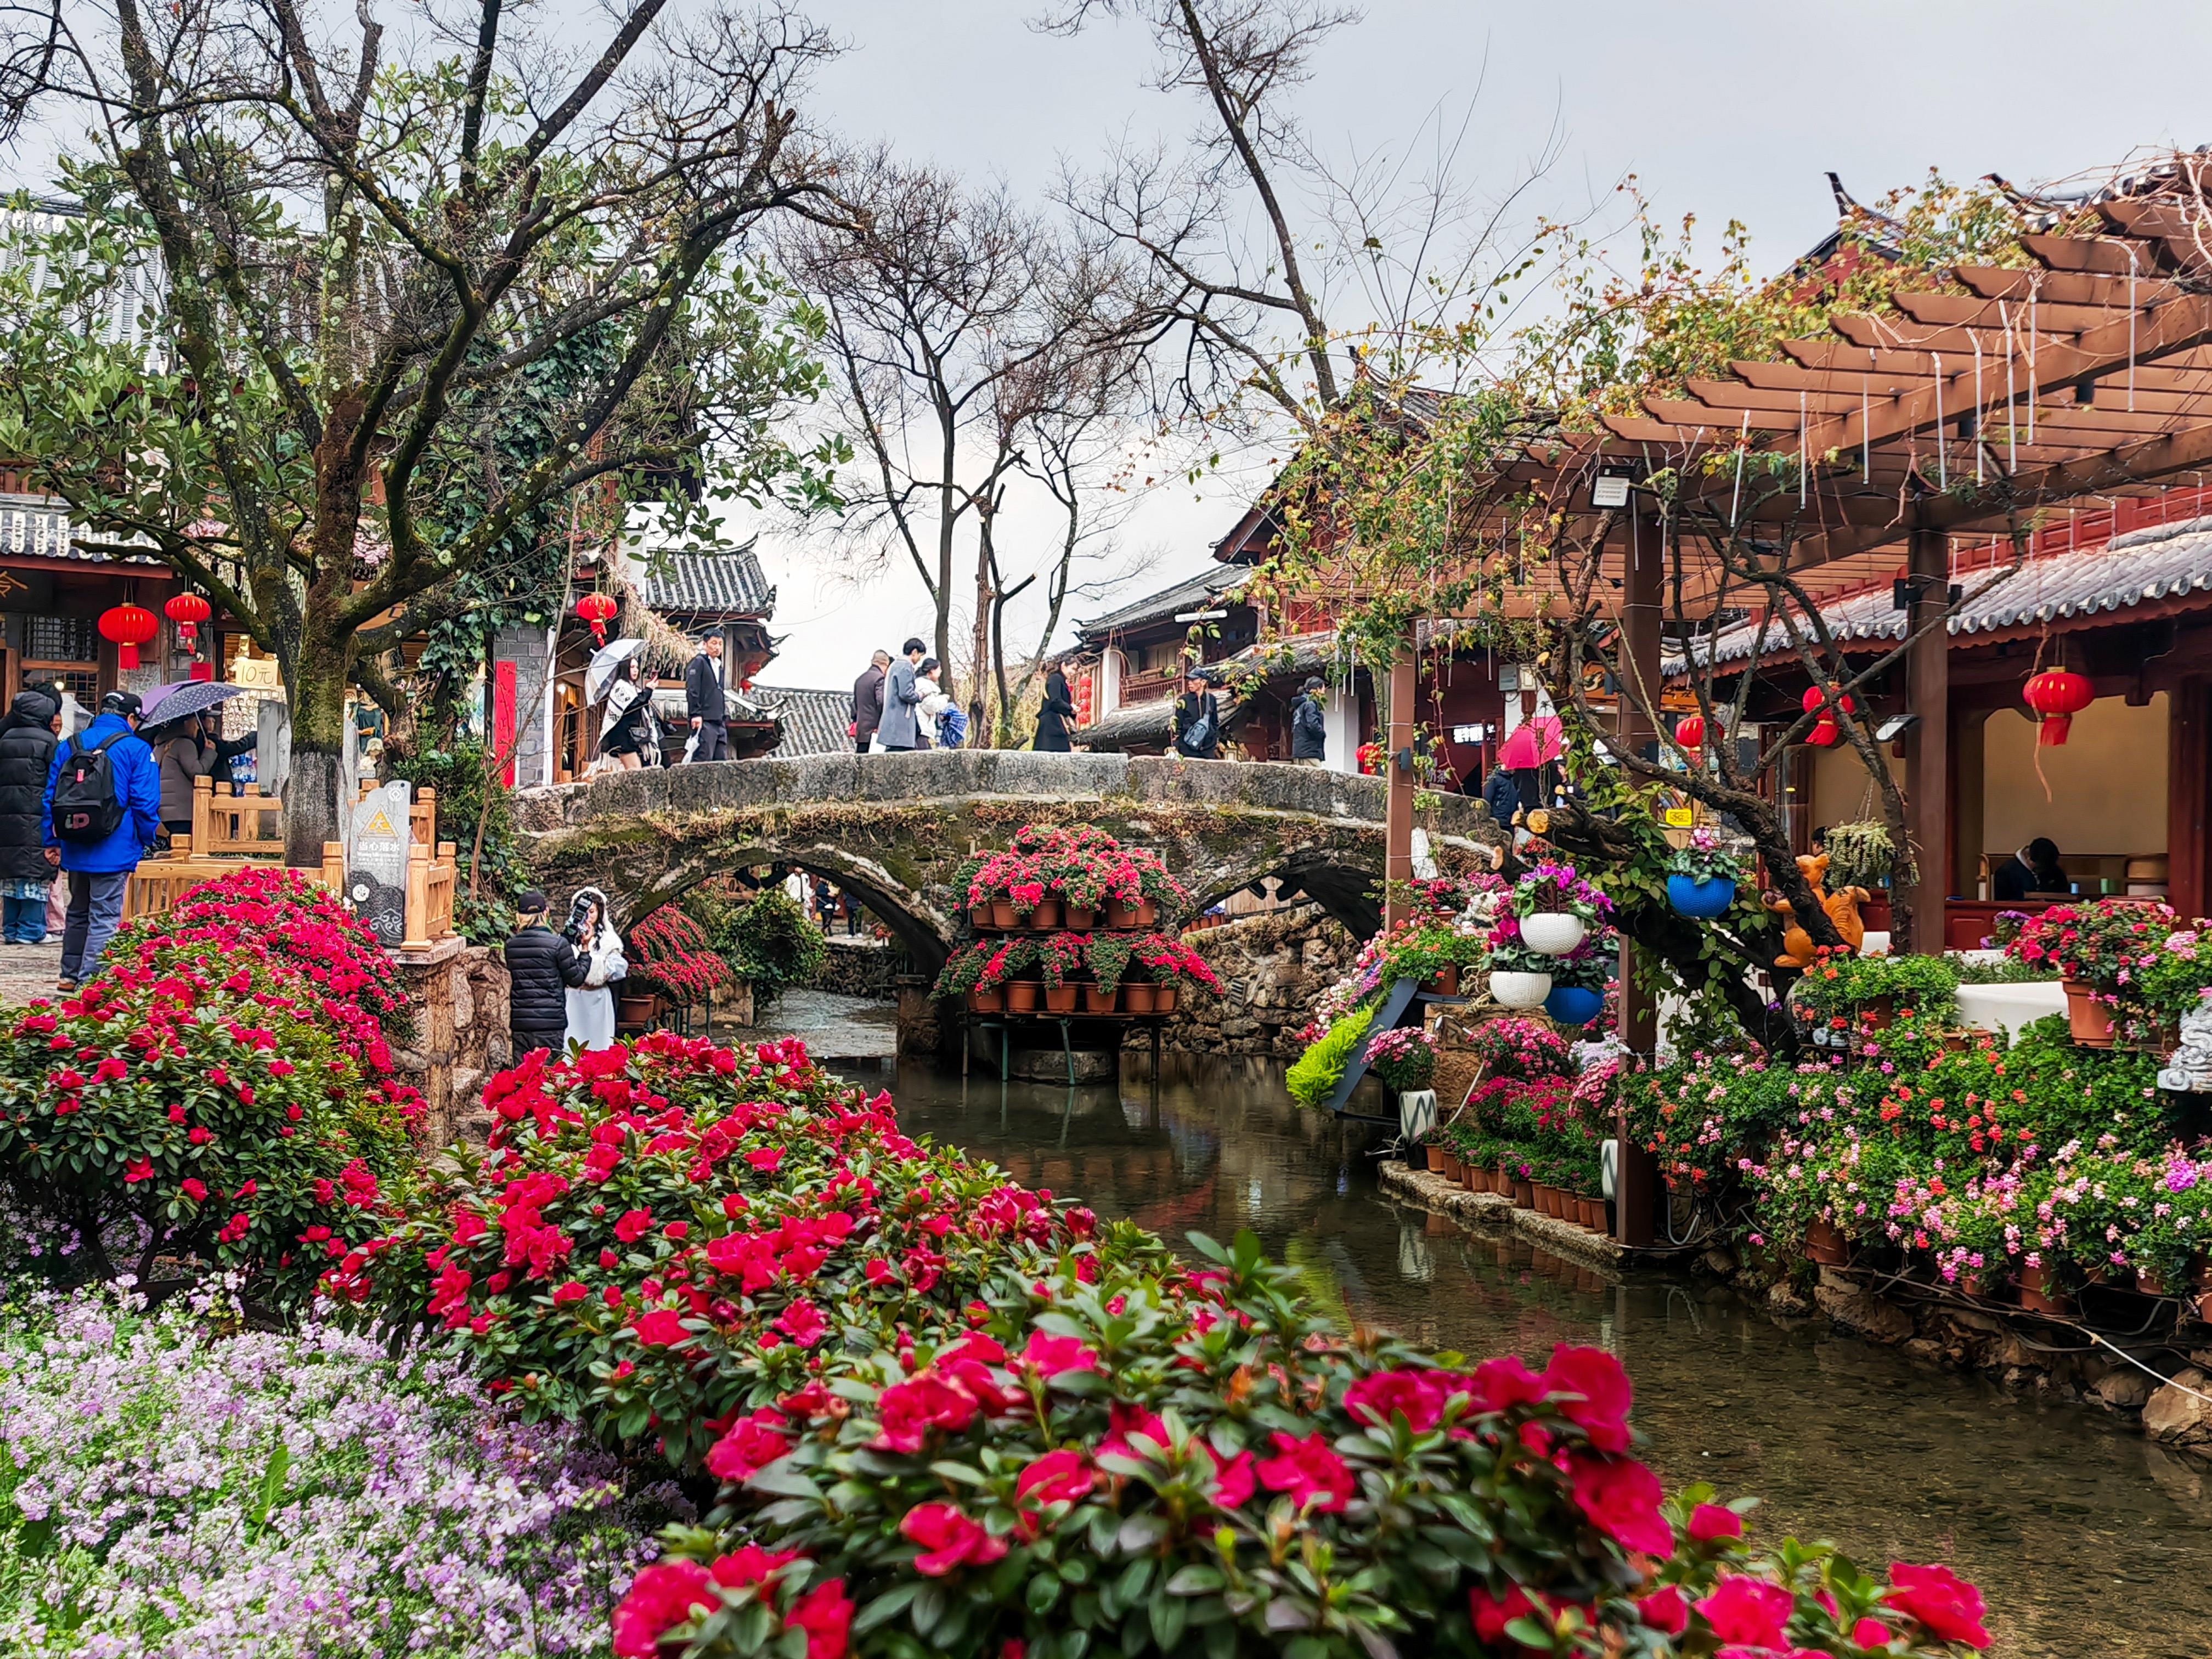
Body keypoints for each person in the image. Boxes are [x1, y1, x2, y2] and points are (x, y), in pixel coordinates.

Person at [43, 689, 160, 991]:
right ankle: (91, 982)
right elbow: (145, 802)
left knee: (78, 911)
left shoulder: (70, 745)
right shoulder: (137, 749)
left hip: (75, 840)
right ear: (131, 718)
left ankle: (69, 976)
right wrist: (147, 838)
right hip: (115, 845)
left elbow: (50, 798)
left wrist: (51, 840)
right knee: (105, 916)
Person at [0, 690, 59, 943]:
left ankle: (10, 929)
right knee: (35, 873)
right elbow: (56, 779)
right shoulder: (47, 741)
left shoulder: (5, 738)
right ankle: (31, 930)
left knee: (11, 873)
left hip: (7, 816)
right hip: (37, 815)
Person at [503, 888, 590, 1056]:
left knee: (523, 1071)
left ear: (518, 916)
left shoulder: (511, 946)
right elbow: (576, 979)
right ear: (546, 913)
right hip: (551, 1023)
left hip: (521, 1023)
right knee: (550, 1071)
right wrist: (585, 951)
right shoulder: (558, 944)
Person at [155, 708, 257, 839]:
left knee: (171, 845)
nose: (197, 727)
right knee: (184, 845)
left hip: (163, 809)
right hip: (182, 810)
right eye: (195, 723)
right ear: (187, 723)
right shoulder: (185, 744)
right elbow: (198, 772)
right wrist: (209, 752)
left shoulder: (159, 746)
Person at [561, 886, 627, 1052]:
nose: (588, 916)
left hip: (598, 999)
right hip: (573, 998)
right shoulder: (567, 938)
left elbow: (619, 968)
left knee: (599, 1045)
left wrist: (596, 969)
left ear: (599, 912)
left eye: (592, 912)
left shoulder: (609, 940)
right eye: (585, 911)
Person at [597, 656, 658, 771]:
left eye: (637, 667)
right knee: (634, 770)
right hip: (622, 736)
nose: (636, 670)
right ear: (625, 669)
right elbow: (632, 705)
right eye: (632, 667)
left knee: (634, 770)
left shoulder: (632, 687)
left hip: (630, 735)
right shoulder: (621, 686)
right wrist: (647, 691)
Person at [684, 629, 728, 762]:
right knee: (703, 759)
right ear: (704, 644)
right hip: (705, 720)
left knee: (720, 760)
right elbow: (692, 689)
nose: (717, 647)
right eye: (714, 643)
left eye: (720, 644)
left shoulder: (719, 667)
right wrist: (695, 714)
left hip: (719, 720)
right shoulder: (699, 662)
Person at [876, 638, 926, 752]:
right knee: (901, 752)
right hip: (901, 720)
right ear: (914, 652)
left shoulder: (895, 665)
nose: (920, 659)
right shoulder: (905, 667)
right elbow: (906, 693)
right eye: (920, 655)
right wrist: (919, 696)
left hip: (893, 718)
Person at [1993, 837, 2068, 901]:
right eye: (2040, 868)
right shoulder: (2006, 872)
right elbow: (2003, 903)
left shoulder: (2053, 869)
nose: (2044, 870)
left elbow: (2063, 892)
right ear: (2028, 857)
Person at [1173, 668, 1221, 760]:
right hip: (1187, 748)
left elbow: (1215, 722)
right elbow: (1178, 725)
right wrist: (1176, 746)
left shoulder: (1211, 700)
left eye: (1193, 680)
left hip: (1207, 749)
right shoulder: (1183, 700)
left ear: (1203, 682)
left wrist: (1214, 740)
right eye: (1189, 680)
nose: (1190, 683)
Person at [851, 649, 889, 753]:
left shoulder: (860, 680)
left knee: (861, 758)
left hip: (861, 731)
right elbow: (881, 702)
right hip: (874, 731)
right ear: (885, 664)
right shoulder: (879, 679)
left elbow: (854, 707)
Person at [1034, 658, 1076, 752]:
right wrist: (1070, 708)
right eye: (1073, 669)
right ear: (1063, 666)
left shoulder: (1060, 680)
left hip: (1056, 726)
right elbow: (1055, 701)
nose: (1074, 673)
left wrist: (1072, 711)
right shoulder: (1055, 679)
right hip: (1051, 727)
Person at [1289, 676, 1327, 766]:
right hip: (1310, 752)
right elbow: (1313, 725)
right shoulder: (1310, 704)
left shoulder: (1299, 707)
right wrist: (1322, 734)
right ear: (1317, 689)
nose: (1324, 693)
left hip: (1299, 752)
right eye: (1323, 690)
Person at [1481, 761, 1520, 827]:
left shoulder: (1514, 779)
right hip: (1498, 819)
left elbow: (1516, 798)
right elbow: (1487, 800)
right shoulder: (1495, 778)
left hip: (1511, 820)